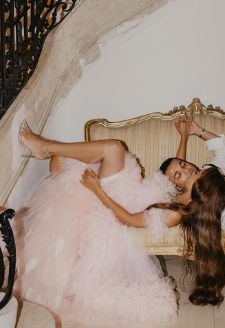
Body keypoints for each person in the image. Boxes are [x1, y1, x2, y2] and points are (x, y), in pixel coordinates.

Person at [15, 123, 179, 326]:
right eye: (182, 166)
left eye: (180, 174)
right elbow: (177, 168)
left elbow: (126, 218)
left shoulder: (175, 210)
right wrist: (185, 137)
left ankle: (45, 147)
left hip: (117, 201)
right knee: (63, 163)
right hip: (129, 186)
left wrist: (96, 190)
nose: (184, 168)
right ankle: (48, 148)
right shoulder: (174, 183)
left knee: (114, 149)